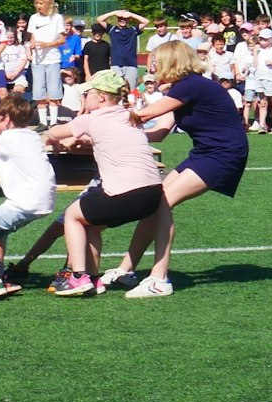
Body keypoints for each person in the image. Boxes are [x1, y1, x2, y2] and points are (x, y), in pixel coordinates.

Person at [106, 39, 253, 298]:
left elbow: (144, 116)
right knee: (154, 201)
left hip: (223, 154)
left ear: (171, 62)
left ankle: (159, 279)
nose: (153, 66)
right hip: (205, 152)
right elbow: (160, 132)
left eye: (157, 60)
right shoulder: (181, 89)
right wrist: (126, 134)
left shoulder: (191, 85)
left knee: (162, 202)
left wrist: (105, 117)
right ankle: (126, 270)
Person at [41, 71, 165, 296]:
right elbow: (111, 138)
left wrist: (53, 136)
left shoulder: (91, 119)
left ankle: (78, 277)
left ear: (100, 97)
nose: (84, 97)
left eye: (87, 94)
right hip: (153, 194)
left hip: (124, 192)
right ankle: (94, 279)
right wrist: (83, 138)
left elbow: (56, 132)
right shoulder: (130, 116)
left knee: (72, 216)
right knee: (91, 225)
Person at [0, 96, 59, 300]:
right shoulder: (30, 136)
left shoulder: (7, 139)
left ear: (6, 119)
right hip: (42, 200)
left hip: (27, 201)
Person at [27, 0, 68, 125]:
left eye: (41, 3)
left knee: (54, 92)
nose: (38, 6)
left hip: (53, 60)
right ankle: (43, 122)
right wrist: (32, 45)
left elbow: (62, 40)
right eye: (37, 3)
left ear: (49, 3)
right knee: (39, 92)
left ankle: (54, 121)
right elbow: (32, 37)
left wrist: (48, 44)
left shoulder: (57, 18)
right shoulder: (33, 18)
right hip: (38, 61)